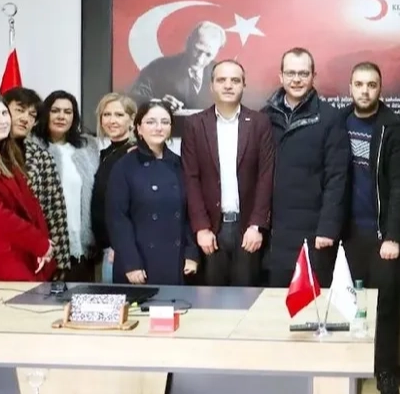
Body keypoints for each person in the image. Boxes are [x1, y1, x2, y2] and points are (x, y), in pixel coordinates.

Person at [340, 62, 400, 394]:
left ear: (380, 89)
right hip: (345, 235)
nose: (365, 90)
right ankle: (350, 366)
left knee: (385, 305)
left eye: (371, 85)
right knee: (346, 304)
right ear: (350, 87)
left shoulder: (395, 130)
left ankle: (386, 370)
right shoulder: (337, 123)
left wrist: (393, 236)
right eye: (359, 84)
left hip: (381, 236)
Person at [182, 60, 275, 286]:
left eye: (235, 80)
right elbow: (191, 179)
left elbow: (266, 176)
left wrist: (256, 225)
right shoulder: (195, 125)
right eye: (221, 80)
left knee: (248, 298)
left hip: (248, 230)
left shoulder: (260, 123)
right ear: (211, 85)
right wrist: (201, 228)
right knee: (211, 300)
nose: (228, 85)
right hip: (212, 230)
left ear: (244, 85)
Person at [263, 47, 350, 287]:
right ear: (281, 76)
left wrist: (328, 228)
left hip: (314, 233)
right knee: (275, 302)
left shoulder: (330, 118)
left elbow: (337, 178)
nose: (297, 79)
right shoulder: (264, 117)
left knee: (312, 302)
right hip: (274, 236)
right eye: (291, 73)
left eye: (303, 73)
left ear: (313, 76)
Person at [0, 87, 71, 278]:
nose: (2, 120)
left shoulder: (9, 153)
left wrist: (50, 252)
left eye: (3, 113)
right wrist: (38, 243)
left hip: (29, 255)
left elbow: (49, 210)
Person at [106, 100, 199, 285]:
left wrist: (191, 253)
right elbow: (118, 220)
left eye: (165, 122)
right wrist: (131, 263)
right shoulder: (124, 166)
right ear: (139, 128)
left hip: (176, 262)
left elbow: (190, 214)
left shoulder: (180, 164)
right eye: (151, 122)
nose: (158, 127)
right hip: (139, 265)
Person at [32, 90, 100, 282]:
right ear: (45, 113)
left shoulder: (88, 147)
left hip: (82, 247)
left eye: (68, 112)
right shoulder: (31, 147)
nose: (61, 116)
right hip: (45, 246)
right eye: (55, 111)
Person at [91, 93, 137, 283]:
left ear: (132, 119)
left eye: (119, 115)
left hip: (119, 249)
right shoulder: (104, 154)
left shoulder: (135, 153)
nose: (112, 120)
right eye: (107, 114)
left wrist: (121, 245)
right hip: (102, 248)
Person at [129, 21, 226, 110]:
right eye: (197, 50)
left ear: (217, 52)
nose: (200, 60)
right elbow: (133, 98)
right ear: (188, 42)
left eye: (208, 55)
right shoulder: (158, 68)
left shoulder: (222, 74)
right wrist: (158, 103)